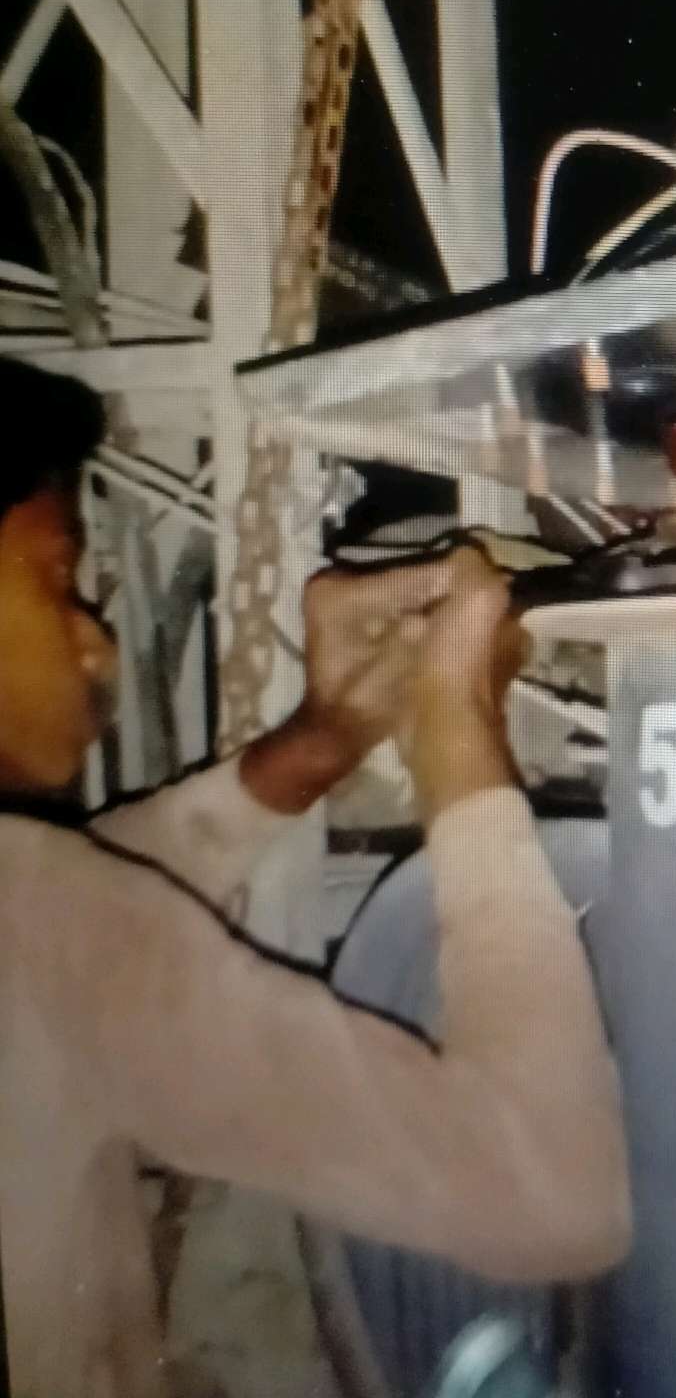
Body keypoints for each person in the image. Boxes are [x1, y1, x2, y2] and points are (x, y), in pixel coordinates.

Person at [0, 357, 631, 1398]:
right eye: (57, 579)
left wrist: (318, 743)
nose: (97, 647)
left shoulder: (46, 915)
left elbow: (81, 928)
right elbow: (554, 1196)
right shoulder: (43, 912)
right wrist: (457, 742)